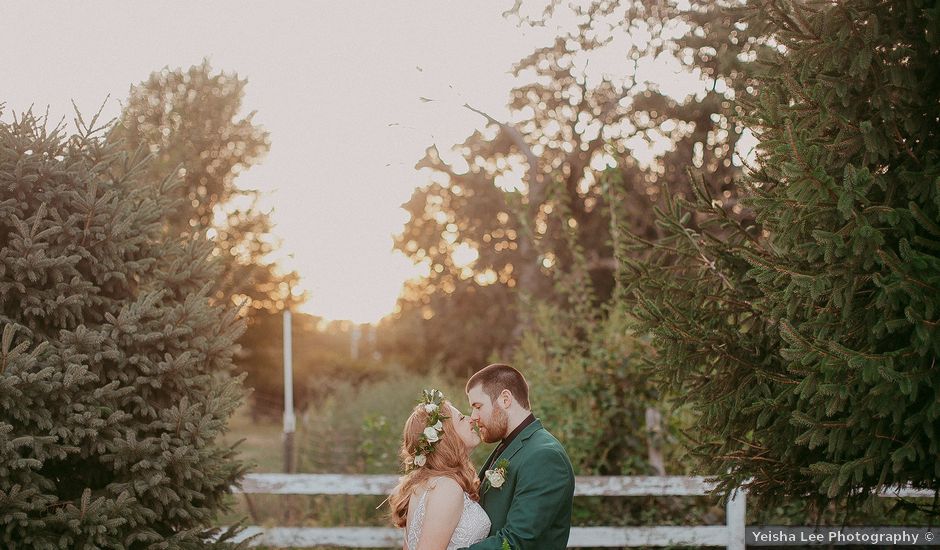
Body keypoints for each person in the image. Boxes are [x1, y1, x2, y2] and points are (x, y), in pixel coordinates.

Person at [461, 364, 575, 550]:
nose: (473, 417)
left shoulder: (545, 456)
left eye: (478, 406)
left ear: (505, 399)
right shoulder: (512, 445)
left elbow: (516, 541)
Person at [389, 389, 491, 550]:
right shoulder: (446, 487)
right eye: (461, 418)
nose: (471, 419)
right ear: (447, 435)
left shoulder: (428, 484)